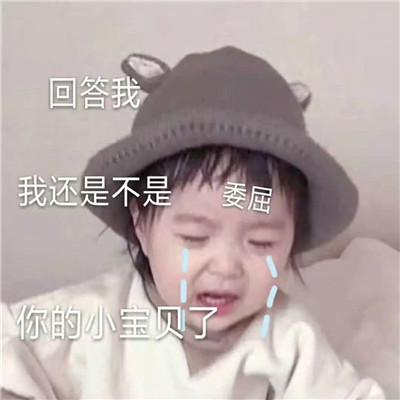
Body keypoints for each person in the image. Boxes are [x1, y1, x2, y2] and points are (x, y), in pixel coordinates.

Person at [1, 46, 386, 399]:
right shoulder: (97, 314)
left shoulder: (287, 337)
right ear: (141, 226)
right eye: (195, 236)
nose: (226, 268)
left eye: (261, 242)